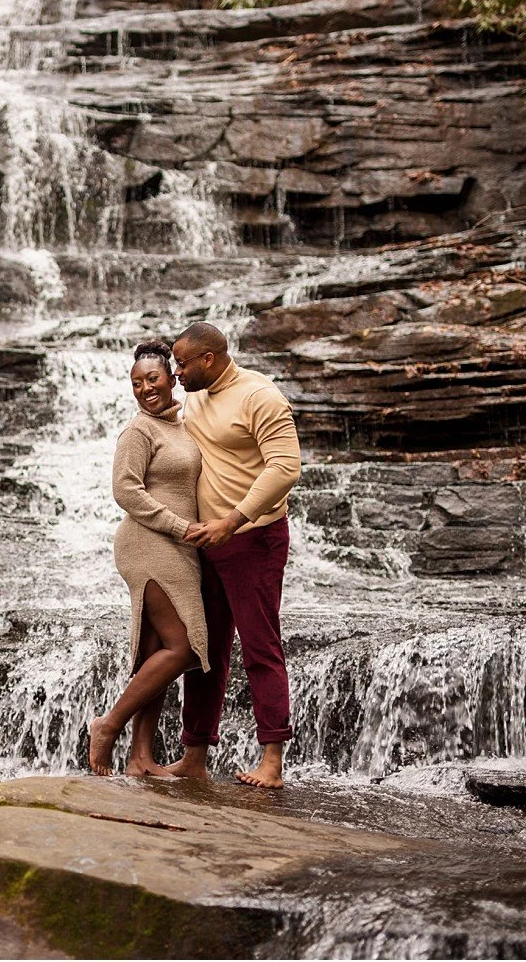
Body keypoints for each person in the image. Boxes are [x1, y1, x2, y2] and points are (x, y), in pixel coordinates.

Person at [168, 322, 301, 789]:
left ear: (209, 358)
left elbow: (286, 467)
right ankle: (194, 755)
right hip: (205, 542)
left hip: (253, 539)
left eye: (181, 363)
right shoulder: (195, 395)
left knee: (260, 647)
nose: (175, 371)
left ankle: (272, 761)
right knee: (206, 652)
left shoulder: (260, 397)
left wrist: (233, 520)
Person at [88, 340, 213, 777]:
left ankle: (141, 758)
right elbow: (125, 490)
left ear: (171, 377)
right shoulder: (138, 430)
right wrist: (181, 528)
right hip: (149, 543)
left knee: (156, 651)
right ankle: (108, 725)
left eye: (152, 378)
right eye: (136, 382)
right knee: (182, 648)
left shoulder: (183, 424)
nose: (144, 388)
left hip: (179, 546)